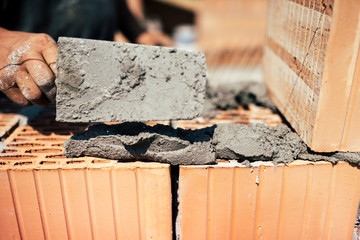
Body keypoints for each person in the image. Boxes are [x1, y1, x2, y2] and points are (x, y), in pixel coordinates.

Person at [0, 0, 172, 106]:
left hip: (100, 101)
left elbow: (116, 10)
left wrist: (142, 36)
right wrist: (4, 40)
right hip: (21, 104)